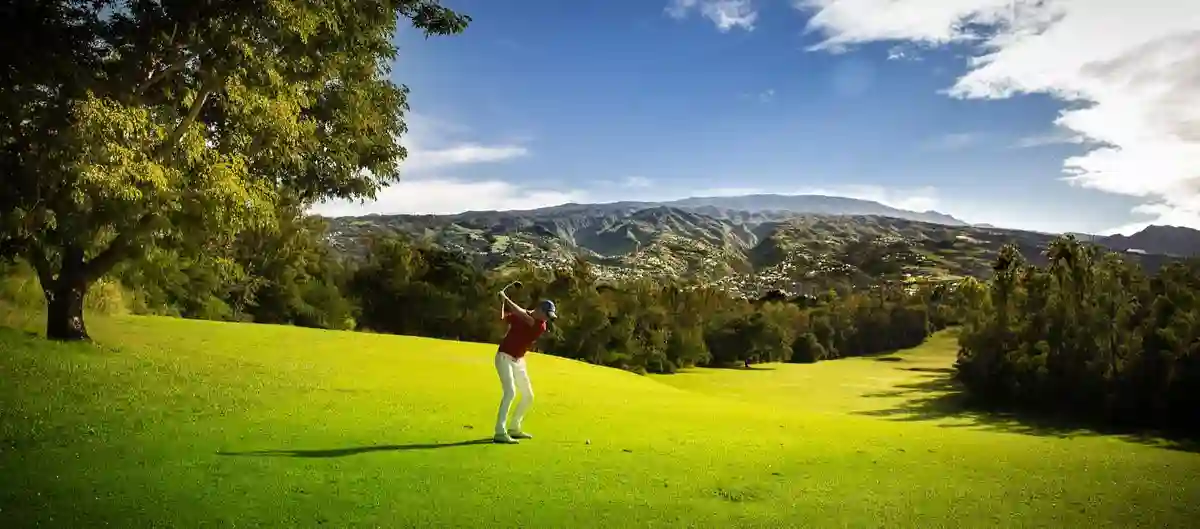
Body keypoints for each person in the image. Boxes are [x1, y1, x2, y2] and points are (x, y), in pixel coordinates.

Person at [493, 286, 557, 444]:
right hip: (504, 357)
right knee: (510, 392)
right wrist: (502, 302)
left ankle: (514, 427)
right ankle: (500, 432)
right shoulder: (525, 316)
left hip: (519, 361)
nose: (547, 319)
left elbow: (524, 314)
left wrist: (505, 298)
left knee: (528, 396)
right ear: (540, 310)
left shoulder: (539, 325)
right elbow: (503, 319)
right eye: (547, 315)